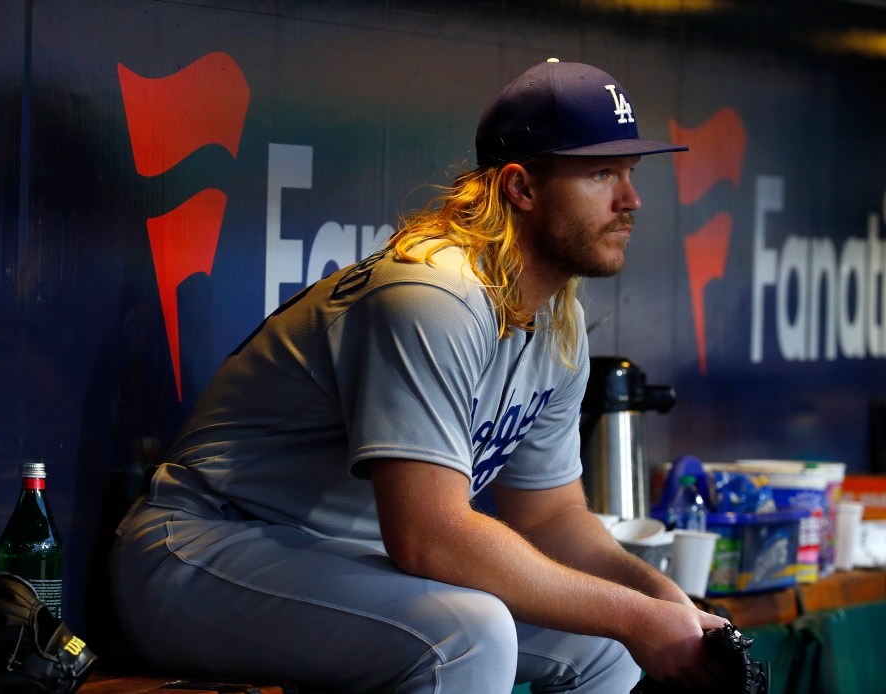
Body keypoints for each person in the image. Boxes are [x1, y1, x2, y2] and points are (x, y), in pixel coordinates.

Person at [110, 58, 729, 693]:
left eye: (630, 173)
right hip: (200, 553)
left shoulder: (557, 319)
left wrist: (658, 600)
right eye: (602, 173)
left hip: (337, 565)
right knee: (469, 633)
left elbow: (549, 517)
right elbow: (429, 537)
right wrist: (635, 615)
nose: (632, 200)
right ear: (521, 187)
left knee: (607, 648)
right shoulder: (434, 293)